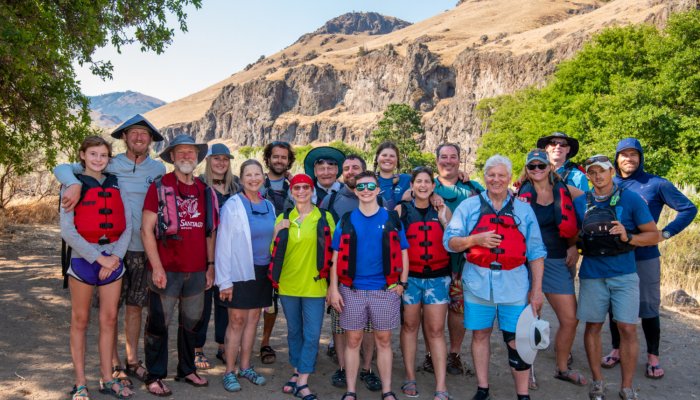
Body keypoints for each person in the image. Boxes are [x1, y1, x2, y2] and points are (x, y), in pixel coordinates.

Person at [54, 114, 165, 386]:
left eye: (145, 134)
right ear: (124, 137)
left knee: (130, 307)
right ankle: (110, 367)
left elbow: (142, 214)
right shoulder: (106, 166)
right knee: (98, 313)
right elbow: (62, 168)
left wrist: (114, 256)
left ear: (151, 140)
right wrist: (75, 183)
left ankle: (130, 362)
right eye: (134, 133)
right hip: (95, 254)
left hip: (136, 248)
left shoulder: (158, 170)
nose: (139, 137)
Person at [443, 154, 547, 400]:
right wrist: (474, 240)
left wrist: (537, 290)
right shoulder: (469, 207)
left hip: (515, 284)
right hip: (478, 283)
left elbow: (536, 252)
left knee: (517, 339)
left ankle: (522, 394)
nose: (496, 180)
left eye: (501, 175)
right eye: (491, 175)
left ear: (510, 178)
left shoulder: (523, 210)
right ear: (485, 177)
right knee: (480, 334)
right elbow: (450, 242)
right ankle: (483, 388)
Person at [600, 139, 697, 379]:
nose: (628, 159)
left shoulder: (656, 184)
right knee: (615, 305)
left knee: (649, 307)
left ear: (640, 157)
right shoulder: (609, 183)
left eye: (634, 154)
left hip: (645, 256)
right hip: (615, 256)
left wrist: (666, 233)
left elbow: (688, 208)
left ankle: (653, 356)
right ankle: (617, 349)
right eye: (623, 155)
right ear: (617, 158)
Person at [573, 154, 659, 400]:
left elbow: (653, 235)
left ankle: (627, 387)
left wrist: (629, 237)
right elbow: (572, 237)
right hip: (592, 274)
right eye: (592, 172)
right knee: (593, 326)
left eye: (602, 171)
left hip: (624, 274)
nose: (598, 176)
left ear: (612, 172)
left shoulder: (631, 199)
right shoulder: (582, 203)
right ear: (587, 176)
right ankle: (598, 382)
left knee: (628, 329)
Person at [141, 134, 218, 396]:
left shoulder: (205, 191)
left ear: (197, 158)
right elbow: (146, 230)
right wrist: (157, 267)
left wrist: (210, 266)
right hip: (167, 270)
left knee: (191, 323)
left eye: (191, 153)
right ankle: (155, 375)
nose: (186, 157)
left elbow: (209, 232)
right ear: (172, 157)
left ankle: (187, 369)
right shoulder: (160, 186)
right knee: (158, 324)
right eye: (181, 152)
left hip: (197, 271)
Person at [61, 136, 134, 400]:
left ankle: (107, 378)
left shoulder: (117, 185)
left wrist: (114, 258)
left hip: (113, 259)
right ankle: (80, 383)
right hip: (84, 261)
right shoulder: (72, 186)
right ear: (82, 155)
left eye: (103, 155)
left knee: (110, 319)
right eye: (93, 154)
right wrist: (98, 258)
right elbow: (67, 230)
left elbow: (127, 227)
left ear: (109, 158)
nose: (98, 159)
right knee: (80, 321)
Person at [329, 171, 410, 400]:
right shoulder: (346, 219)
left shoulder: (391, 218)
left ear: (377, 190)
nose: (365, 190)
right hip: (352, 290)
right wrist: (334, 289)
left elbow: (404, 251)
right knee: (353, 340)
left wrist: (402, 283)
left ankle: (387, 390)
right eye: (361, 187)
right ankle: (351, 390)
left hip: (384, 290)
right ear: (355, 191)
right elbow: (335, 256)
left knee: (383, 341)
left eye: (370, 186)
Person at [516, 149, 587, 387]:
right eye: (532, 166)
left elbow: (590, 198)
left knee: (570, 318)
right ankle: (528, 371)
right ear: (527, 169)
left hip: (556, 259)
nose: (537, 170)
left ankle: (562, 367)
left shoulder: (565, 190)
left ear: (550, 167)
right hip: (527, 262)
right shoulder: (519, 195)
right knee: (530, 318)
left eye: (541, 166)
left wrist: (573, 245)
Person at [320, 154, 384, 392]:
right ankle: (344, 367)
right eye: (346, 168)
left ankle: (366, 368)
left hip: (371, 276)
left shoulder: (378, 199)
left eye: (355, 167)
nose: (350, 171)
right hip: (341, 273)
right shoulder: (332, 199)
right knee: (339, 325)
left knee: (368, 326)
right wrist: (330, 281)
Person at [269, 173, 335, 400]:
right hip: (288, 285)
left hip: (315, 286)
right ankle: (296, 372)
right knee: (294, 331)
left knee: (312, 333)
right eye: (296, 188)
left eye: (306, 187)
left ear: (312, 191)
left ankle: (304, 379)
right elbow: (272, 251)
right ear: (292, 191)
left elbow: (334, 254)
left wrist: (332, 286)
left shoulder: (324, 217)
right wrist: (277, 230)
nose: (301, 191)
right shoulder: (283, 217)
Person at [215, 159, 276, 392]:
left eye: (257, 174)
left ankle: (246, 366)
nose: (253, 178)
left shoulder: (269, 206)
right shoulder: (233, 204)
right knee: (237, 321)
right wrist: (225, 281)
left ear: (263, 177)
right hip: (239, 271)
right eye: (248, 174)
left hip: (262, 273)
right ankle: (229, 371)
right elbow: (223, 243)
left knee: (253, 320)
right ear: (241, 179)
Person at [424, 143, 483, 376]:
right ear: (436, 160)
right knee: (431, 311)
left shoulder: (471, 187)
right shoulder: (427, 185)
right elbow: (408, 191)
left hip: (463, 260)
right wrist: (430, 192)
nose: (448, 161)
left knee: (457, 310)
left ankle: (454, 354)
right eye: (443, 157)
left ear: (460, 160)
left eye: (453, 157)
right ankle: (430, 355)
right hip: (432, 261)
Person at [396, 167, 452, 400]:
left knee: (436, 330)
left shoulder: (442, 208)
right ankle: (410, 376)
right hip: (410, 280)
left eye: (427, 182)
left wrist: (442, 218)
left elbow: (454, 239)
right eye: (418, 181)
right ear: (412, 185)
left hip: (438, 278)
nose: (422, 185)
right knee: (409, 326)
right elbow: (391, 241)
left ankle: (441, 385)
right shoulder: (401, 209)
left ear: (433, 185)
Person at [194, 143, 240, 369]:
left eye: (225, 159)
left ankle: (222, 345)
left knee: (224, 300)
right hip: (203, 252)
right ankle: (197, 348)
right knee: (201, 302)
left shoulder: (237, 186)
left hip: (229, 254)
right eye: (216, 158)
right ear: (208, 161)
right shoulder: (198, 185)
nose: (221, 163)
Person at [258, 140, 297, 364]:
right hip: (262, 251)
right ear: (268, 158)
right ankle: (256, 342)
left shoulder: (296, 187)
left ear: (289, 161)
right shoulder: (258, 185)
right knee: (260, 301)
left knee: (277, 302)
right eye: (276, 156)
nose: (279, 160)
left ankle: (265, 341)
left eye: (284, 157)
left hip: (289, 254)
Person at [374, 141, 412, 210]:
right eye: (384, 155)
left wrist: (433, 196)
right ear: (377, 158)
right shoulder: (368, 180)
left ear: (397, 160)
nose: (388, 158)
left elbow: (427, 186)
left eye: (392, 156)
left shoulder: (407, 179)